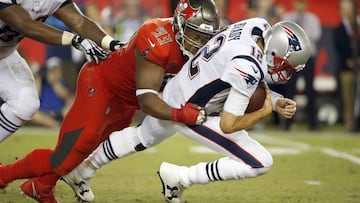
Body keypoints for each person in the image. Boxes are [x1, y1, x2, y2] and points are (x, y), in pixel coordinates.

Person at [62, 18, 311, 202]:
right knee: (260, 162)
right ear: (275, 51)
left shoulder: (255, 26)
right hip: (194, 109)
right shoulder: (247, 65)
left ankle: (83, 170)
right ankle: (180, 177)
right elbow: (228, 124)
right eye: (285, 64)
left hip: (181, 86)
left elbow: (234, 72)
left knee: (140, 137)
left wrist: (275, 100)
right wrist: (265, 111)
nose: (284, 71)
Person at [0, 0, 220, 202]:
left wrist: (109, 42)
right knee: (66, 155)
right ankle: (4, 174)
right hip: (102, 85)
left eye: (204, 37)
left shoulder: (205, 49)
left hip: (126, 100)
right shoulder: (156, 37)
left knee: (90, 150)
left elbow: (79, 20)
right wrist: (183, 115)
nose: (199, 43)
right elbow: (147, 100)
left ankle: (41, 185)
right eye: (195, 35)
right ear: (180, 24)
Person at [0, 0, 124, 143]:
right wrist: (74, 39)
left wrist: (113, 44)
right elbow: (25, 25)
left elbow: (79, 21)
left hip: (4, 55)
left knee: (25, 104)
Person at [282, 0, 322, 131]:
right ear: (294, 4)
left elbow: (315, 36)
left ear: (306, 5)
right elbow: (282, 37)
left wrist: (296, 35)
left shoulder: (313, 19)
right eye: (298, 3)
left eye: (302, 3)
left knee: (310, 89)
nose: (300, 6)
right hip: (292, 58)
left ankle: (313, 123)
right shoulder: (287, 18)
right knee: (290, 89)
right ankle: (287, 123)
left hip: (308, 58)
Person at [334, 0, 360, 131]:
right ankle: (350, 122)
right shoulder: (339, 29)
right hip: (347, 69)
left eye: (349, 8)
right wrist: (349, 61)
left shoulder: (358, 27)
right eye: (344, 9)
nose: (346, 11)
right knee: (348, 96)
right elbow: (339, 50)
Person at [30, 57, 74, 128]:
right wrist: (39, 78)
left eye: (56, 70)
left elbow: (65, 96)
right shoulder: (41, 82)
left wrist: (54, 82)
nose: (54, 72)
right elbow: (35, 97)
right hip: (43, 113)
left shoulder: (61, 82)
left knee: (68, 109)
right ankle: (57, 126)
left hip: (58, 113)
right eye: (51, 70)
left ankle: (58, 125)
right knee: (33, 114)